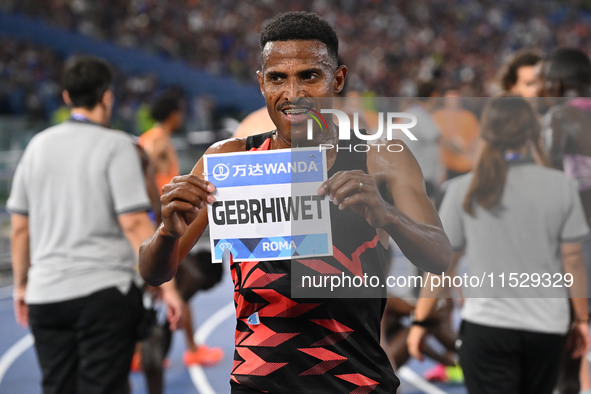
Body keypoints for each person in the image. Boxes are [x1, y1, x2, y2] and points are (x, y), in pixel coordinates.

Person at [138, 11, 451, 393]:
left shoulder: (382, 157)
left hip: (355, 382)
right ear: (261, 83)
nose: (293, 94)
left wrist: (388, 217)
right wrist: (168, 233)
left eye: (309, 76)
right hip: (258, 384)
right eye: (277, 78)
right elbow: (154, 272)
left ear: (337, 79)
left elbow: (439, 256)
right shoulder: (228, 161)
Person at [7, 55, 183, 394]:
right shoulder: (117, 146)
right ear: (107, 96)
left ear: (66, 97)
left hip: (46, 296)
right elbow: (134, 222)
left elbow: (20, 227)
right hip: (105, 295)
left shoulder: (37, 146)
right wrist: (168, 286)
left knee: (57, 387)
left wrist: (21, 287)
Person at [408, 96, 590, 394]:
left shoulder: (464, 189)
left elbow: (441, 265)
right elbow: (573, 261)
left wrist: (420, 322)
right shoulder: (561, 187)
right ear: (532, 132)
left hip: (487, 327)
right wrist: (581, 319)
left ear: (486, 133)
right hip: (546, 327)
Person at [135, 92, 223, 394]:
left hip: (166, 218)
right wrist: (157, 221)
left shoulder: (156, 138)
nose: (182, 117)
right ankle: (187, 347)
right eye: (180, 112)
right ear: (172, 114)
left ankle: (177, 346)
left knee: (167, 290)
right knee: (173, 288)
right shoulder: (155, 141)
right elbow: (147, 180)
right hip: (165, 221)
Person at [541, 47, 591, 394]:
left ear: (558, 83)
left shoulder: (560, 117)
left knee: (567, 324)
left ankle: (567, 385)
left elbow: (550, 177)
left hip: (575, 236)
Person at [433, 88, 480, 181]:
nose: (453, 101)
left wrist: (474, 160)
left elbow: (475, 142)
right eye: (450, 98)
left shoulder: (468, 117)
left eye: (455, 98)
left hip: (465, 166)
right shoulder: (437, 117)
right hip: (445, 167)